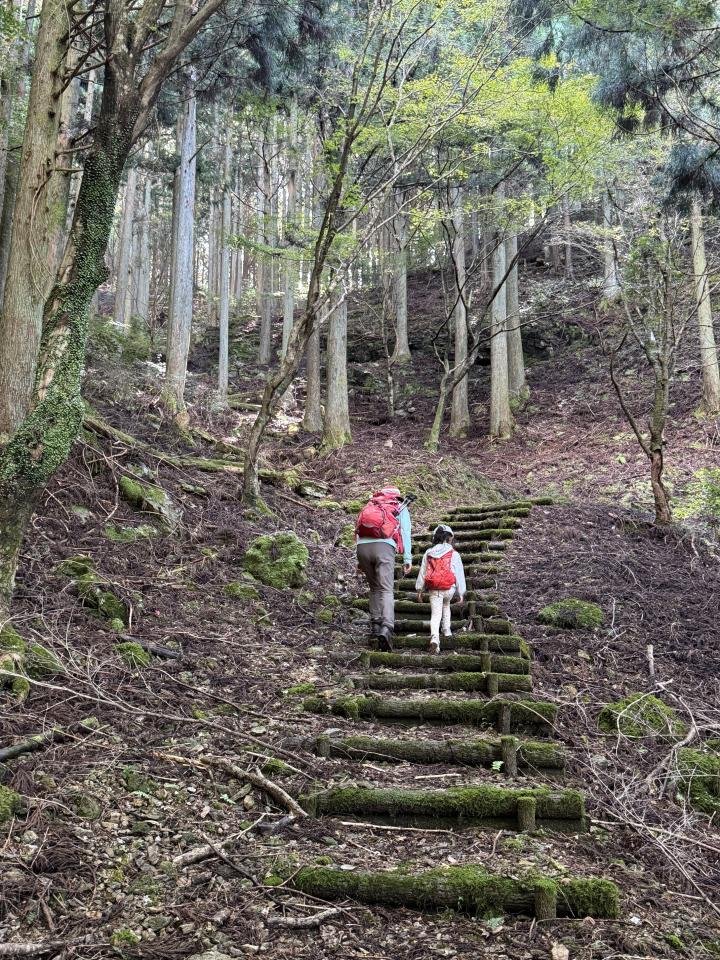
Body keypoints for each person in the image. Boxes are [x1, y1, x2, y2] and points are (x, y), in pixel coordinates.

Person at [356, 486, 413, 651]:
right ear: (396, 496)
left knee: (374, 588)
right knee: (386, 589)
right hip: (384, 546)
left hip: (362, 549)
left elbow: (359, 530)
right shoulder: (398, 506)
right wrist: (407, 558)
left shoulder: (370, 505)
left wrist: (359, 560)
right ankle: (387, 627)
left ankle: (375, 624)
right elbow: (405, 532)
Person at [415, 524, 466, 654]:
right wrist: (461, 593)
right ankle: (447, 631)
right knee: (446, 604)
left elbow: (423, 572)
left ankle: (434, 639)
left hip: (434, 588)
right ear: (449, 538)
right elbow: (459, 574)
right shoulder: (454, 554)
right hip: (449, 588)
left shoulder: (429, 552)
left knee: (435, 614)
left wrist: (419, 590)